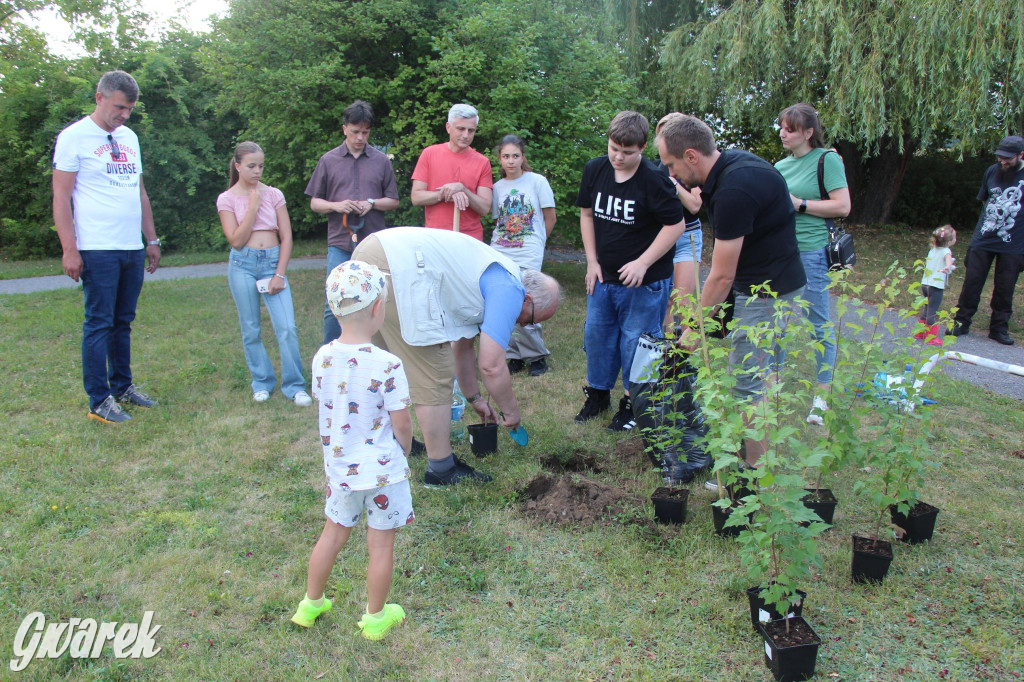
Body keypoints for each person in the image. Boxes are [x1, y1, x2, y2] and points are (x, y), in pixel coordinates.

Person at [351, 227, 561, 485]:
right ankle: (441, 469)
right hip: (395, 265)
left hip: (373, 251)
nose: (526, 326)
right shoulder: (509, 288)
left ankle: (387, 441)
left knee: (386, 366)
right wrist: (511, 412)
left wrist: (474, 398)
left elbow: (463, 348)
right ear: (526, 298)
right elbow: (492, 365)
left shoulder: (491, 277)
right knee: (435, 368)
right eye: (531, 320)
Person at [655, 114, 805, 471]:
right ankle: (750, 456)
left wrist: (694, 329)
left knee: (749, 384)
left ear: (691, 156)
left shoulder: (734, 190)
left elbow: (721, 276)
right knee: (758, 378)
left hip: (766, 293)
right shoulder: (734, 164)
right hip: (764, 280)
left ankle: (751, 477)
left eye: (672, 166)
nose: (671, 175)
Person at [290, 261, 413, 640]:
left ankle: (310, 604)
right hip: (383, 473)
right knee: (381, 545)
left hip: (341, 471)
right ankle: (376, 618)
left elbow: (325, 402)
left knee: (332, 535)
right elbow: (403, 422)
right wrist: (403, 452)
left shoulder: (321, 358)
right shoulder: (388, 364)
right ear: (378, 308)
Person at [52, 70, 160, 424]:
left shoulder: (129, 137)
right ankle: (99, 399)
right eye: (118, 107)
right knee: (98, 323)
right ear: (99, 98)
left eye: (129, 109)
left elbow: (138, 191)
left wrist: (151, 239)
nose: (124, 115)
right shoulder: (74, 138)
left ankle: (122, 387)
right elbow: (61, 197)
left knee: (123, 321)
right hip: (97, 248)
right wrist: (70, 248)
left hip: (130, 246)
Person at [574, 111, 685, 432]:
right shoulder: (596, 169)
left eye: (627, 152)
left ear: (643, 147)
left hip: (645, 283)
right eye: (614, 148)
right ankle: (598, 395)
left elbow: (675, 225)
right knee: (598, 336)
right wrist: (592, 261)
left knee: (637, 342)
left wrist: (643, 262)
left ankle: (634, 403)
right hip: (603, 277)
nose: (618, 157)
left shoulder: (655, 180)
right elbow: (586, 214)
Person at [217, 142, 312, 406]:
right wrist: (252, 207)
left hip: (272, 262)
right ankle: (261, 382)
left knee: (287, 328)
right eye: (251, 166)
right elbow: (236, 240)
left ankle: (294, 385)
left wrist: (280, 274)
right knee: (250, 328)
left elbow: (287, 235)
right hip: (243, 264)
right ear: (237, 166)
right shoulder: (226, 199)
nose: (257, 171)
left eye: (260, 165)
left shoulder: (274, 194)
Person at [773, 103, 852, 424]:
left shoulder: (827, 160)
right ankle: (773, 387)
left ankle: (821, 397)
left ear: (808, 133)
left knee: (818, 325)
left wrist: (800, 204)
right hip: (780, 254)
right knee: (775, 323)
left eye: (790, 129)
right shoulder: (778, 166)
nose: (783, 133)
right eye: (781, 127)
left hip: (813, 253)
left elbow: (843, 206)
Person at [305, 100, 400, 345]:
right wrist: (336, 205)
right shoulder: (328, 160)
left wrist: (372, 203)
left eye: (365, 132)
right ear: (344, 128)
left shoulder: (381, 161)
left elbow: (393, 201)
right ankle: (330, 356)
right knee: (334, 300)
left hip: (374, 243)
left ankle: (375, 353)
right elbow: (315, 202)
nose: (360, 137)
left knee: (379, 299)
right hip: (340, 242)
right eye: (355, 131)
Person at [490, 134, 557, 376]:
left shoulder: (537, 182)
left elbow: (550, 217)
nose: (511, 161)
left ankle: (536, 356)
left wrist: (538, 242)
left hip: (528, 252)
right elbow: (499, 222)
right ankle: (513, 355)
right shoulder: (496, 188)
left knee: (527, 300)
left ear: (523, 158)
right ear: (500, 159)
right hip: (500, 251)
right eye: (506, 156)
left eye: (515, 156)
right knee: (502, 302)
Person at [950, 135, 1024, 346]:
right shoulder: (992, 171)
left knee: (1005, 285)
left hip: (1014, 241)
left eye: (1008, 158)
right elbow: (984, 199)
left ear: (1021, 155)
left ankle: (999, 328)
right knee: (972, 280)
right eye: (1001, 157)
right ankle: (961, 322)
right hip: (984, 238)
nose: (1003, 161)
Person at [410, 103, 493, 241]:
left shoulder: (482, 162)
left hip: (470, 239)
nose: (466, 135)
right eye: (461, 129)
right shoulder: (429, 154)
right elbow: (416, 197)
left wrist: (462, 189)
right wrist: (445, 193)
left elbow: (484, 208)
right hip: (435, 238)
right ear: (448, 127)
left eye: (471, 130)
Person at [656, 113, 705, 329]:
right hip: (662, 236)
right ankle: (666, 354)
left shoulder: (693, 167)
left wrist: (673, 184)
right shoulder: (655, 167)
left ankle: (687, 355)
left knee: (683, 301)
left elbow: (695, 205)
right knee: (665, 300)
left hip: (688, 236)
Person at [914, 225, 957, 347]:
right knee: (932, 311)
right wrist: (948, 266)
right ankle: (931, 337)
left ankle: (919, 332)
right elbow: (948, 260)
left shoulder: (932, 250)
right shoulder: (946, 251)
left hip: (925, 284)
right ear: (949, 241)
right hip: (936, 286)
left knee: (926, 308)